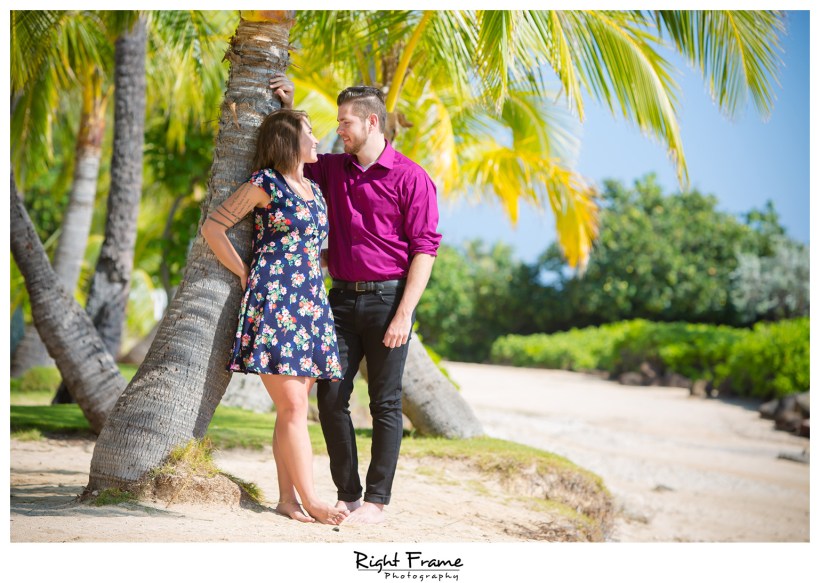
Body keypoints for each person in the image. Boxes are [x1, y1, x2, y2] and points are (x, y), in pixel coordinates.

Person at [270, 74, 442, 524]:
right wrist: (288, 107)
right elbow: (291, 152)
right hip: (340, 304)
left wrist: (404, 313)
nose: (339, 129)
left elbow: (425, 250)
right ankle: (347, 494)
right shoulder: (331, 169)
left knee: (385, 403)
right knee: (331, 397)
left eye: (345, 122)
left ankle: (377, 501)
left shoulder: (412, 177)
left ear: (370, 122)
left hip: (390, 303)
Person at [202, 109, 348, 526]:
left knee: (293, 409)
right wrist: (245, 271)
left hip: (309, 304)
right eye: (310, 134)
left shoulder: (313, 190)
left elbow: (315, 250)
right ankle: (314, 500)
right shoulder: (264, 183)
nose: (318, 141)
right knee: (294, 406)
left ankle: (287, 499)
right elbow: (214, 227)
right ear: (289, 141)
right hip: (276, 301)